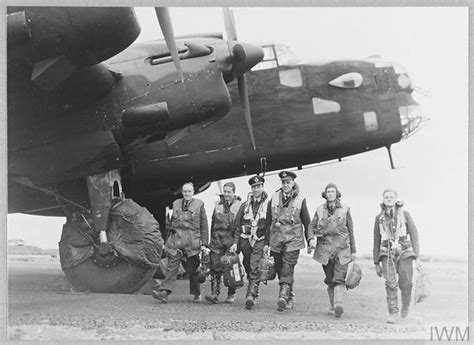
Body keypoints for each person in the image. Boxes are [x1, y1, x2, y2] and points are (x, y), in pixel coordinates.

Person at [152, 182, 209, 303]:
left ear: (193, 192)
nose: (187, 193)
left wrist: (204, 243)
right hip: (177, 241)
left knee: (193, 269)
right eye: (185, 191)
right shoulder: (176, 204)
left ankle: (196, 294)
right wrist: (167, 241)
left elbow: (204, 225)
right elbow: (172, 223)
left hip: (192, 241)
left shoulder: (199, 205)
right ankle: (164, 292)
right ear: (182, 192)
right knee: (171, 267)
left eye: (189, 191)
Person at [308, 183, 356, 318]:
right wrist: (311, 239)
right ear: (325, 194)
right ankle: (332, 305)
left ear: (337, 194)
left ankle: (338, 304)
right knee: (330, 278)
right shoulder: (319, 210)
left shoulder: (345, 209)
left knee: (339, 277)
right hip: (325, 250)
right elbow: (311, 226)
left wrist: (354, 250)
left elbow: (351, 230)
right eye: (328, 191)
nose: (330, 194)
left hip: (342, 249)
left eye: (332, 191)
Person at [373, 189, 421, 324]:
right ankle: (393, 312)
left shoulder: (405, 214)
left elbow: (414, 234)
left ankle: (406, 305)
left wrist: (417, 257)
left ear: (396, 199)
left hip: (405, 252)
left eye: (391, 197)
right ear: (383, 199)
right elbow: (376, 240)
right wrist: (376, 262)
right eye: (386, 197)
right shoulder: (379, 218)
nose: (388, 199)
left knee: (406, 283)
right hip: (386, 252)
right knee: (390, 283)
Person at [268, 171, 311, 311]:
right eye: (283, 183)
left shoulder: (300, 199)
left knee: (288, 267)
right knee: (280, 269)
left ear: (293, 183)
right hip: (277, 239)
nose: (286, 185)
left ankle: (283, 297)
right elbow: (269, 221)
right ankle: (290, 295)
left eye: (288, 182)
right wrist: (266, 244)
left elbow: (307, 222)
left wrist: (310, 239)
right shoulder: (274, 198)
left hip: (294, 240)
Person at [230, 175, 271, 309]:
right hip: (245, 240)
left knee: (254, 264)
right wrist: (236, 242)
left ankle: (250, 295)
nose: (256, 189)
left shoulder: (268, 205)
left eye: (258, 186)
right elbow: (237, 226)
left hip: (260, 239)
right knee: (247, 264)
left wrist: (267, 243)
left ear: (262, 187)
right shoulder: (244, 205)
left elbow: (270, 225)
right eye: (254, 187)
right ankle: (255, 288)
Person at [205, 182, 242, 304]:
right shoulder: (218, 205)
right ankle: (214, 294)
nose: (226, 194)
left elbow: (239, 228)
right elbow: (213, 224)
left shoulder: (239, 206)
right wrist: (210, 242)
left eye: (229, 192)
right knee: (215, 268)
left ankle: (231, 294)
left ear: (233, 192)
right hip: (217, 241)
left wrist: (236, 243)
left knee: (230, 267)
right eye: (225, 191)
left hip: (230, 241)